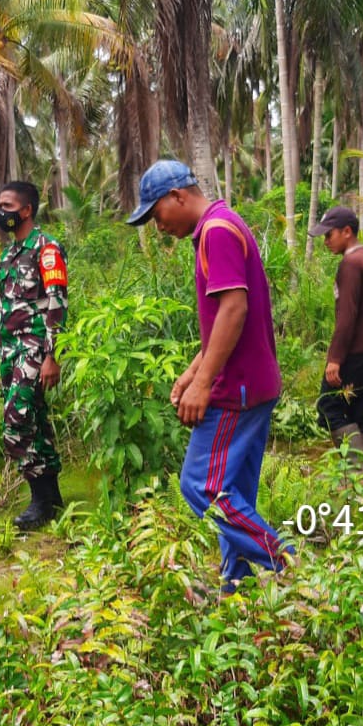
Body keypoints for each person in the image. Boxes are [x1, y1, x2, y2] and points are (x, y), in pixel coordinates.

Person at [127, 159, 293, 592]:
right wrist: (191, 373)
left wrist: (204, 385)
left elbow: (234, 310)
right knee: (233, 494)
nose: (158, 226)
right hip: (255, 383)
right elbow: (222, 318)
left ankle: (289, 563)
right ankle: (235, 587)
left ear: (177, 196)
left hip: (236, 390)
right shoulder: (221, 224)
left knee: (202, 487)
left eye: (156, 214)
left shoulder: (216, 231)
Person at [0, 181, 67, 531]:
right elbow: (1, 308)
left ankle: (39, 500)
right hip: (9, 351)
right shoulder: (8, 255)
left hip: (34, 348)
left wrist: (52, 355)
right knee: (34, 422)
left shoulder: (46, 249)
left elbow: (57, 303)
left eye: (7, 205)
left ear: (26, 210)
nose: (1, 212)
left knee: (16, 422)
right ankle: (52, 499)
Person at [308, 206, 363, 467]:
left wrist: (335, 359)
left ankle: (356, 472)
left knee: (328, 406)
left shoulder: (350, 264)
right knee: (358, 411)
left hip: (356, 355)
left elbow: (346, 318)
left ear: (347, 232)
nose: (326, 241)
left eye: (329, 235)